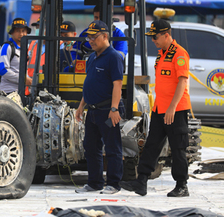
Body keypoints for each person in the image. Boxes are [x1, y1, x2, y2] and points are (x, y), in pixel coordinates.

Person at [120, 19, 191, 197]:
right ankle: (141, 181)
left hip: (176, 110)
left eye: (155, 37)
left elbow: (182, 83)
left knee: (178, 147)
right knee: (152, 145)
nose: (153, 40)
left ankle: (182, 185)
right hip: (160, 108)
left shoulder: (180, 54)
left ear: (166, 35)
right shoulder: (162, 54)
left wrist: (172, 108)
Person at [74, 20, 124, 195]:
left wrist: (114, 109)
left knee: (112, 147)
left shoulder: (113, 57)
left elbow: (117, 84)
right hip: (93, 111)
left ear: (105, 36)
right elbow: (89, 84)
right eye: (89, 37)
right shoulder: (92, 58)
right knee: (91, 147)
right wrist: (81, 106)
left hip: (107, 111)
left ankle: (114, 184)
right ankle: (94, 183)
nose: (90, 41)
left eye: (94, 37)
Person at [0, 18, 32, 94]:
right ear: (12, 33)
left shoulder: (28, 48)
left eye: (23, 31)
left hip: (24, 92)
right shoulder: (6, 47)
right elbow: (2, 70)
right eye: (18, 31)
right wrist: (23, 79)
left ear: (27, 32)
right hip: (9, 92)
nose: (21, 34)